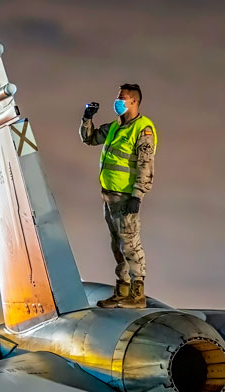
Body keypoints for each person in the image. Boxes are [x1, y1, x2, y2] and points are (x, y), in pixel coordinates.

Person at [80, 83, 157, 309]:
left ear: (134, 101)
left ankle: (137, 294)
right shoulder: (116, 127)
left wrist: (138, 195)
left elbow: (146, 164)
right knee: (117, 245)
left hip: (126, 198)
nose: (118, 101)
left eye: (122, 98)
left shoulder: (143, 129)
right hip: (110, 197)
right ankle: (122, 291)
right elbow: (90, 138)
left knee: (131, 245)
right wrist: (87, 118)